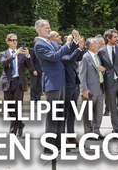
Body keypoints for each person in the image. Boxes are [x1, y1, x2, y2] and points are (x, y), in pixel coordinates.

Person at [33, 19, 82, 153]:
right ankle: (49, 146)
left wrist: (75, 43)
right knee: (53, 116)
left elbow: (63, 52)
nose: (49, 30)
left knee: (60, 115)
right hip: (52, 83)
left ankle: (59, 144)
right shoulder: (39, 45)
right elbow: (55, 57)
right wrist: (67, 44)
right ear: (39, 30)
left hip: (60, 82)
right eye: (47, 28)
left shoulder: (49, 42)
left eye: (49, 28)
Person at [97, 29, 118, 134]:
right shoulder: (101, 51)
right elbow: (99, 65)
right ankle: (116, 129)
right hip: (109, 82)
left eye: (117, 36)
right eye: (115, 37)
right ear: (108, 38)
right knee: (112, 107)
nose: (117, 38)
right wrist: (103, 69)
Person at [0, 33, 32, 137]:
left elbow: (30, 67)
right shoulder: (3, 53)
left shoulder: (22, 54)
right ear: (8, 41)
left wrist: (28, 55)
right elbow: (4, 63)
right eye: (12, 40)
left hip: (18, 82)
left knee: (17, 106)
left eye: (16, 40)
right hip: (7, 82)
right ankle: (20, 124)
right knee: (9, 107)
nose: (15, 42)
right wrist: (14, 55)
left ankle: (13, 129)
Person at [61, 30, 85, 146]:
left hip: (74, 83)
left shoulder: (69, 49)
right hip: (66, 85)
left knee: (72, 112)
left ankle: (70, 136)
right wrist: (78, 47)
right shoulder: (59, 49)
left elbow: (78, 57)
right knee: (64, 113)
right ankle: (60, 138)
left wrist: (78, 44)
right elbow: (69, 58)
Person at [79, 37, 106, 140]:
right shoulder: (85, 57)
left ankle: (97, 131)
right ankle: (88, 132)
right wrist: (84, 89)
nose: (99, 45)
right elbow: (82, 74)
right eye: (96, 43)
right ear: (90, 46)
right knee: (88, 113)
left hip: (100, 88)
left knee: (99, 112)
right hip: (89, 89)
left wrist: (103, 70)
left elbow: (98, 71)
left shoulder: (97, 56)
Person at [29, 37, 42, 102]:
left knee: (40, 84)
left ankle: (38, 97)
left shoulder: (41, 50)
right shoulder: (32, 50)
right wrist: (33, 70)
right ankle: (33, 98)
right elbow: (30, 61)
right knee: (34, 85)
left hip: (41, 70)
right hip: (35, 70)